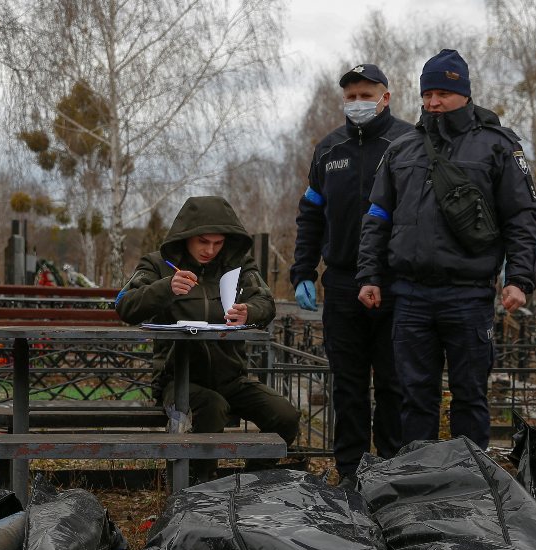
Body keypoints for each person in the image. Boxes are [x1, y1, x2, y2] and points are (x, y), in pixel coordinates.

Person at [356, 49, 536, 451]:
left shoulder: (497, 146)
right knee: (414, 397)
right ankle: (418, 483)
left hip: (468, 293)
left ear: (464, 93)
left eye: (443, 92)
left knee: (470, 395)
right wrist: (369, 275)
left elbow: (521, 216)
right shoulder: (402, 148)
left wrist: (519, 278)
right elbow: (377, 216)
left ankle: (471, 486)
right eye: (427, 94)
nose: (434, 102)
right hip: (410, 295)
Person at [116, 195, 299, 480]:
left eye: (218, 242)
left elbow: (266, 302)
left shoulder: (239, 265)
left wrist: (248, 312)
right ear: (186, 236)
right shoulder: (157, 264)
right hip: (179, 381)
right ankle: (196, 491)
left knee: (286, 415)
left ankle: (253, 483)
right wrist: (165, 288)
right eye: (203, 241)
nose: (210, 250)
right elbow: (125, 306)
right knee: (212, 408)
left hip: (231, 377)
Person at [291, 63, 412, 488]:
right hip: (342, 284)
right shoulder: (329, 150)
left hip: (398, 283)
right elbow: (310, 215)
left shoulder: (409, 143)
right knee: (348, 384)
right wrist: (303, 270)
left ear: (386, 95)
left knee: (396, 383)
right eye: (352, 95)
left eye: (367, 94)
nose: (359, 102)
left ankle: (395, 471)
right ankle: (351, 471)